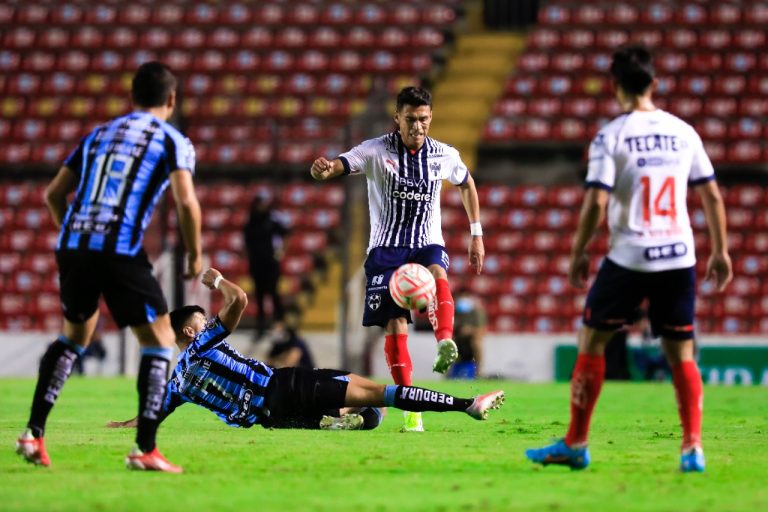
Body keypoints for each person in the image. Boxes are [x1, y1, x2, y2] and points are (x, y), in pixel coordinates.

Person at [525, 46, 732, 473]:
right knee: (683, 355)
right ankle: (692, 447)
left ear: (616, 87)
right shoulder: (683, 132)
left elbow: (597, 201)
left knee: (592, 342)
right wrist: (722, 250)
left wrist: (579, 249)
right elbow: (710, 193)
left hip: (630, 256)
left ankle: (576, 442)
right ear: (654, 84)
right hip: (678, 255)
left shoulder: (611, 135)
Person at [15, 62, 203, 473]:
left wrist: (74, 237)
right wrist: (194, 255)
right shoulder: (173, 140)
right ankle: (145, 449)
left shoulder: (97, 135)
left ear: (131, 98)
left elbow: (53, 194)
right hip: (117, 248)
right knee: (158, 339)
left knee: (73, 338)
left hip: (73, 245)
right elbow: (186, 201)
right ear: (171, 100)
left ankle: (33, 434)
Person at [116, 268, 503, 447]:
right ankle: (467, 404)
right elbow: (239, 300)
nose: (207, 322)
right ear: (189, 331)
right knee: (379, 396)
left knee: (367, 415)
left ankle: (340, 420)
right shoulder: (203, 343)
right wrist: (216, 281)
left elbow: (150, 415)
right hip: (281, 385)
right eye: (201, 320)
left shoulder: (179, 380)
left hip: (273, 421)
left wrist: (121, 425)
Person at [310, 86, 485, 432]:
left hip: (425, 242)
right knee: (395, 325)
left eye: (423, 119)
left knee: (437, 270)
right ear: (397, 119)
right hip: (385, 249)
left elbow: (466, 183)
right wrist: (324, 170)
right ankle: (411, 408)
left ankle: (445, 339)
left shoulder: (443, 154)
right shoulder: (376, 150)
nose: (417, 127)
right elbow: (340, 165)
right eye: (410, 120)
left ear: (430, 117)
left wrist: (476, 232)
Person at [243, 192, 289, 337]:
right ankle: (261, 327)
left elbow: (286, 233)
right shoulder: (250, 222)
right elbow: (246, 243)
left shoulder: (271, 219)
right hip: (256, 263)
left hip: (270, 263)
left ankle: (279, 324)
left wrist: (281, 251)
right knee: (259, 295)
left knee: (274, 293)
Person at [446, 289, 487, 379]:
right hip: (458, 341)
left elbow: (482, 331)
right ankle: (447, 372)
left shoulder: (477, 312)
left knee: (477, 342)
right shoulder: (454, 311)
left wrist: (469, 330)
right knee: (448, 342)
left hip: (470, 342)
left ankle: (478, 372)